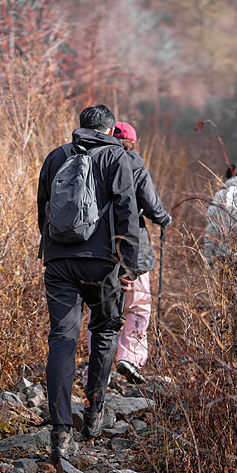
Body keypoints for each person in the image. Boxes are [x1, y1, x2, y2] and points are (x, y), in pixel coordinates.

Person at [37, 104, 140, 462]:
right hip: (104, 264)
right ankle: (94, 413)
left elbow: (43, 208)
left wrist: (53, 252)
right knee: (106, 330)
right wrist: (129, 264)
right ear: (111, 131)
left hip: (60, 262)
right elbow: (127, 210)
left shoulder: (56, 156)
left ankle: (60, 431)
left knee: (62, 340)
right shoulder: (117, 157)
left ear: (80, 127)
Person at [85, 122, 172, 385]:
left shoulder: (93, 162)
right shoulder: (136, 168)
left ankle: (97, 367)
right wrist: (165, 219)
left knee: (100, 309)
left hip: (98, 248)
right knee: (138, 305)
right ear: (133, 142)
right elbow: (154, 209)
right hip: (134, 249)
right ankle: (130, 358)